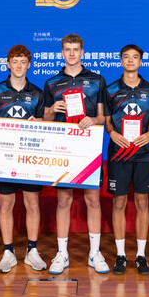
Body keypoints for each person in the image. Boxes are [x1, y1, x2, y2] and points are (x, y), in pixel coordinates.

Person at [43, 33, 109, 274]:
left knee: (93, 199)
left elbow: (103, 118)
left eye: (76, 49)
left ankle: (94, 252)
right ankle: (62, 253)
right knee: (64, 200)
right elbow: (46, 119)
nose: (72, 53)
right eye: (67, 49)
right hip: (62, 147)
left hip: (89, 147)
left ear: (82, 52)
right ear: (62, 52)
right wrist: (52, 109)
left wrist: (94, 119)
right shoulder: (52, 82)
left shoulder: (97, 80)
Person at [0, 44, 48, 273]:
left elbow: (45, 126)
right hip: (5, 159)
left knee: (32, 204)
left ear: (29, 65)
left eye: (23, 62)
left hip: (30, 159)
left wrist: (39, 123)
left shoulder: (38, 93)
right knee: (6, 205)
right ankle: (8, 252)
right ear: (8, 64)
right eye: (15, 62)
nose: (19, 66)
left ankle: (32, 251)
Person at [105, 44, 149, 275]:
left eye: (135, 57)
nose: (130, 61)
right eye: (126, 57)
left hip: (144, 153)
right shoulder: (110, 90)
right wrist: (112, 133)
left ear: (140, 62)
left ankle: (140, 255)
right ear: (120, 61)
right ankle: (120, 255)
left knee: (142, 203)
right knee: (118, 203)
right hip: (118, 152)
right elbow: (107, 120)